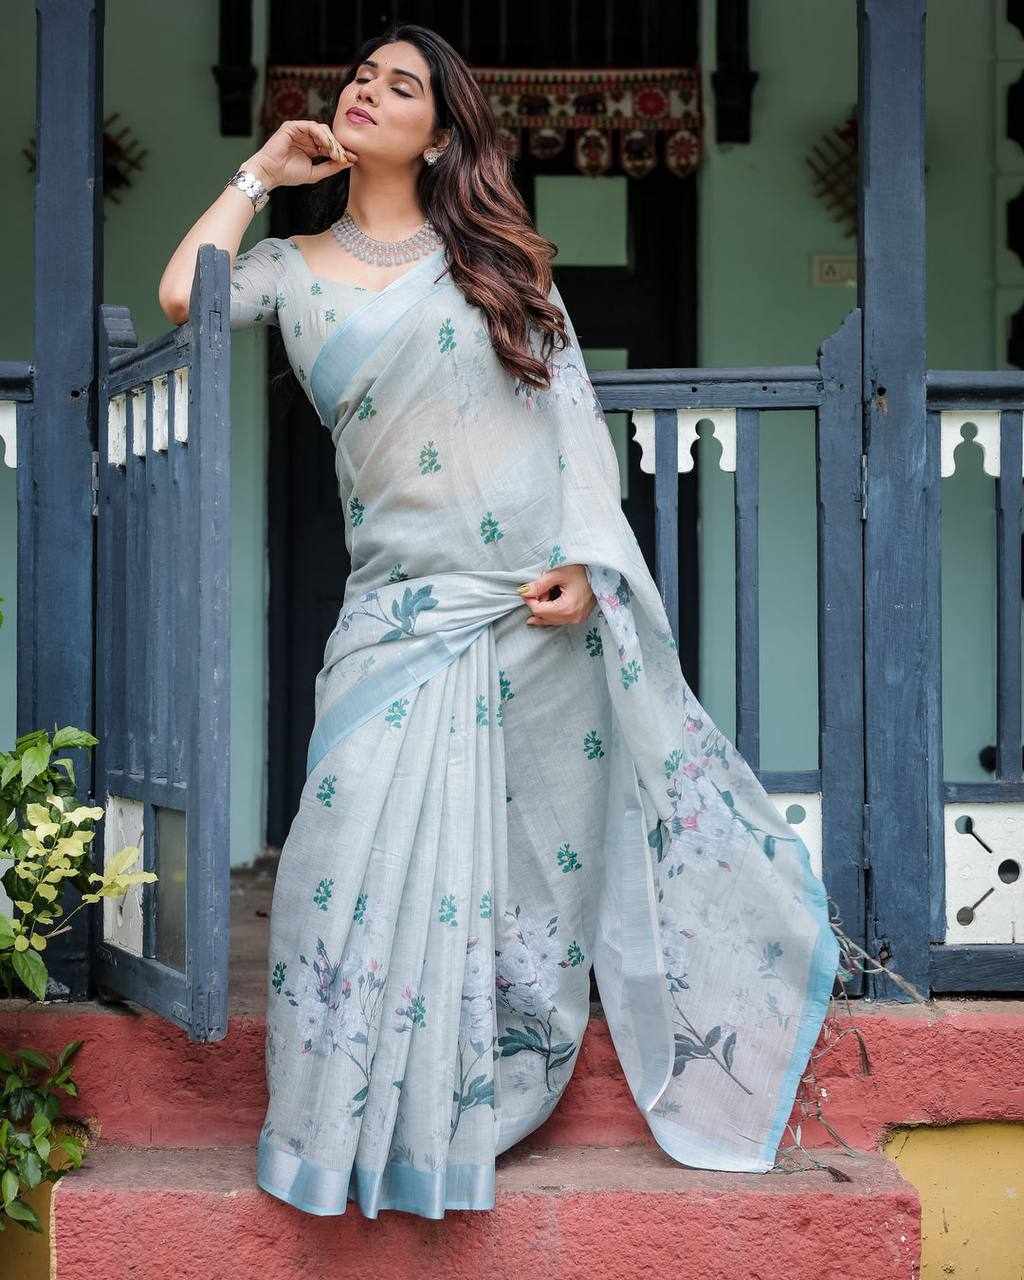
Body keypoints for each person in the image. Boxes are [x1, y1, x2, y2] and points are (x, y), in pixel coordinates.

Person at [158, 23, 840, 1222]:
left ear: (441, 135)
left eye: (401, 85)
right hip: (392, 618)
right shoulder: (291, 263)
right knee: (338, 859)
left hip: (522, 612)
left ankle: (460, 1109)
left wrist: (581, 559)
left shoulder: (495, 265)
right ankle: (335, 1124)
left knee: (520, 876)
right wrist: (259, 172)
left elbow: (569, 422)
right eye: (360, 77)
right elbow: (182, 297)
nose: (368, 93)